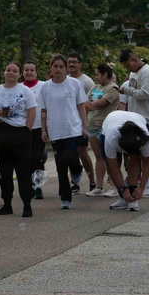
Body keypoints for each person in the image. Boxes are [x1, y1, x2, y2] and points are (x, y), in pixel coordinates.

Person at [0, 62, 38, 218]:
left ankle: (27, 204)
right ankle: (7, 204)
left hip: (20, 132)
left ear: (19, 74)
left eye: (14, 71)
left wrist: (27, 130)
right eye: (8, 70)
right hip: (2, 131)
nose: (11, 73)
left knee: (23, 171)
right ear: (4, 72)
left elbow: (32, 111)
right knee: (5, 171)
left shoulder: (25, 90)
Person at [39, 54, 88, 210]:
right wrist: (43, 129)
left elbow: (81, 106)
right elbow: (43, 110)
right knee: (60, 165)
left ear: (66, 68)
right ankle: (65, 198)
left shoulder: (74, 84)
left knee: (71, 157)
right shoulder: (45, 87)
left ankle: (77, 169)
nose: (58, 70)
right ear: (51, 68)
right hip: (55, 130)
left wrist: (84, 127)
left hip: (73, 128)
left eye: (61, 66)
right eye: (55, 66)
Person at [118, 49, 149, 196]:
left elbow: (147, 93)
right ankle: (139, 183)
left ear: (134, 61)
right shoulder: (134, 73)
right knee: (137, 153)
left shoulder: (147, 73)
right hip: (137, 118)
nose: (127, 69)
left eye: (127, 66)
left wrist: (127, 90)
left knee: (148, 153)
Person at [103, 111, 149, 212]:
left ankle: (132, 196)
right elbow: (113, 167)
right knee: (111, 164)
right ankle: (123, 197)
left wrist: (142, 187)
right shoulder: (111, 138)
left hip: (137, 118)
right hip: (110, 120)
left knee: (133, 160)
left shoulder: (145, 140)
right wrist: (123, 190)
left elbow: (147, 164)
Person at [84, 63, 120, 197]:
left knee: (110, 158)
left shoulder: (113, 89)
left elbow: (100, 104)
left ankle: (115, 186)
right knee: (99, 158)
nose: (96, 77)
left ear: (105, 74)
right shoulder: (95, 87)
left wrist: (89, 104)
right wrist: (89, 105)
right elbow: (84, 102)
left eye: (98, 74)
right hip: (92, 127)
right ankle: (99, 186)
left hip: (105, 127)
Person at [66, 52, 96, 193]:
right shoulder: (63, 80)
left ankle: (92, 181)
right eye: (69, 61)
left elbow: (92, 103)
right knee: (70, 154)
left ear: (80, 64)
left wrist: (86, 123)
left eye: (74, 62)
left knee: (82, 152)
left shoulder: (87, 81)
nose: (71, 64)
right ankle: (75, 183)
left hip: (82, 123)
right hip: (67, 124)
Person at [21, 61, 47, 199]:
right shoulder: (19, 87)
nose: (29, 72)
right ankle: (27, 186)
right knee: (26, 158)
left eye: (32, 70)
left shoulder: (43, 86)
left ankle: (38, 186)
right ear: (23, 72)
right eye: (26, 70)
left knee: (38, 158)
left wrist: (45, 128)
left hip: (38, 127)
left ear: (36, 72)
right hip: (23, 128)